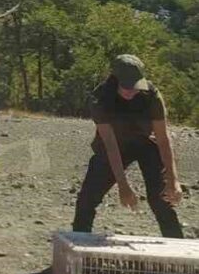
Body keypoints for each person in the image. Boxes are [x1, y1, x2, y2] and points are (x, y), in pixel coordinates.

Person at [72, 54, 184, 237]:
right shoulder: (100, 99)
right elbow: (110, 145)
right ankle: (78, 241)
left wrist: (173, 179)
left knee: (161, 198)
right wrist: (123, 185)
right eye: (126, 87)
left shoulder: (151, 95)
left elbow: (163, 138)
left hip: (145, 143)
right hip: (114, 146)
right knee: (87, 197)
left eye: (135, 87)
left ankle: (177, 248)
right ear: (115, 80)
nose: (131, 91)